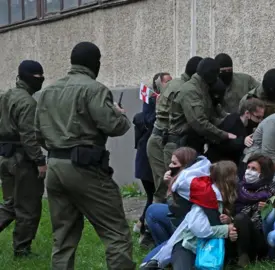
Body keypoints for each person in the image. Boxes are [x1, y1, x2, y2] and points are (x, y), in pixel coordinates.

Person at [34, 42, 135, 269]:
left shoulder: (47, 92)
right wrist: (119, 114)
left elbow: (37, 133)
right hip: (85, 168)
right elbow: (114, 126)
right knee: (116, 232)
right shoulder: (94, 89)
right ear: (95, 63)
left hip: (56, 166)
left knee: (63, 237)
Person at [141, 159, 239, 270]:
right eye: (235, 175)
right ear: (227, 179)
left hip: (206, 248)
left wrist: (229, 221)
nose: (237, 179)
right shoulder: (207, 198)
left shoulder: (221, 197)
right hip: (186, 246)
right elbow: (200, 229)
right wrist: (226, 229)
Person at [0, 60, 47, 257]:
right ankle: (22, 250)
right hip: (22, 160)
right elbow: (29, 136)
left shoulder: (7, 95)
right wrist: (40, 161)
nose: (41, 80)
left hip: (6, 157)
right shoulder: (28, 103)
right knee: (28, 207)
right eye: (38, 77)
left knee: (11, 204)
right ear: (28, 77)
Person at [147, 56, 202, 203]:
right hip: (165, 141)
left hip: (160, 139)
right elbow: (195, 119)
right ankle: (158, 220)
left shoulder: (175, 83)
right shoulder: (184, 89)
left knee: (165, 186)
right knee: (166, 187)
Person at [164, 57, 236, 155]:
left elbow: (210, 117)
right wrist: (224, 135)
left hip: (191, 145)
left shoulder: (202, 90)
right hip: (179, 147)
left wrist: (231, 121)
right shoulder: (191, 91)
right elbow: (199, 122)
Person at [133, 72, 171, 244]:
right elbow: (148, 120)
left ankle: (142, 223)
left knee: (154, 195)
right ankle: (145, 231)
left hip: (156, 156)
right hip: (147, 159)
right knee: (154, 194)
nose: (170, 84)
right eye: (167, 82)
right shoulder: (152, 101)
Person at [229, 154, 275, 267]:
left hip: (259, 236)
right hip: (238, 232)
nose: (248, 171)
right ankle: (241, 255)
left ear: (263, 173)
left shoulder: (272, 188)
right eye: (248, 167)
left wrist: (269, 207)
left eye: (254, 169)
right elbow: (231, 211)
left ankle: (244, 258)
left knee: (241, 218)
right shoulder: (239, 187)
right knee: (238, 219)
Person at [146, 147, 198, 246]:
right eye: (171, 162)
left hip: (187, 226)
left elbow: (174, 207)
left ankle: (168, 246)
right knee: (153, 209)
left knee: (152, 212)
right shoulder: (195, 175)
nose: (170, 166)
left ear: (185, 166)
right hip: (186, 220)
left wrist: (170, 185)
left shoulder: (186, 182)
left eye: (174, 163)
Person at [206, 97, 265, 164]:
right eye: (258, 117)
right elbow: (222, 145)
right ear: (247, 113)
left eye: (262, 118)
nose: (260, 121)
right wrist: (243, 140)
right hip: (219, 163)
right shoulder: (231, 124)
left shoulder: (245, 122)